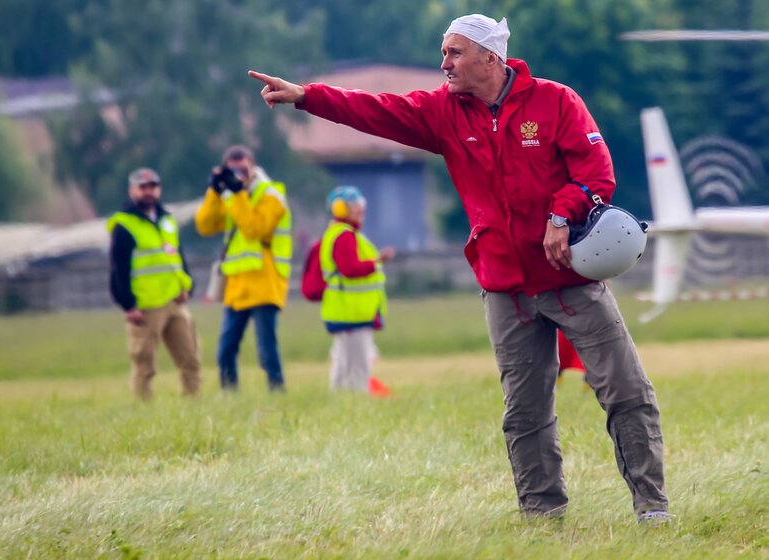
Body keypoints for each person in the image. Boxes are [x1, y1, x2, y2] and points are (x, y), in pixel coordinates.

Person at [248, 13, 670, 523]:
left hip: (570, 280)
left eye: (454, 52)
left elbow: (596, 174)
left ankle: (652, 507)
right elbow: (375, 110)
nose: (443, 63)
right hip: (505, 289)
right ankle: (541, 517)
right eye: (443, 52)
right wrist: (306, 96)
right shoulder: (441, 111)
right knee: (525, 413)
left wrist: (561, 215)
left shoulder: (556, 101)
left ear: (490, 58)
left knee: (626, 392)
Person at [195, 146, 292, 392]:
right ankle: (229, 393)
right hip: (237, 283)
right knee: (226, 349)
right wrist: (214, 191)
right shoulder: (229, 195)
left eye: (242, 168)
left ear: (253, 166)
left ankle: (277, 390)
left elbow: (253, 230)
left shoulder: (271, 194)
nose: (238, 174)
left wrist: (236, 194)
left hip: (264, 280)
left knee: (266, 348)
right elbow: (205, 226)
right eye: (232, 169)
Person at [108, 167, 201, 400]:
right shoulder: (125, 225)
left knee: (190, 360)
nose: (148, 191)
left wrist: (187, 287)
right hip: (146, 305)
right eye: (143, 187)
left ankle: (194, 406)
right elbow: (119, 269)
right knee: (144, 365)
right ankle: (143, 409)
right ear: (132, 191)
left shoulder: (167, 220)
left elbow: (177, 257)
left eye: (153, 187)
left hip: (174, 301)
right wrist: (128, 305)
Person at [319, 186, 395, 392]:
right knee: (358, 364)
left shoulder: (340, 233)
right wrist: (377, 261)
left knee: (344, 362)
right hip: (352, 311)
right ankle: (358, 398)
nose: (360, 210)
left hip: (347, 310)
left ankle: (339, 397)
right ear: (340, 208)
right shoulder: (344, 235)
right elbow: (350, 269)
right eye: (354, 205)